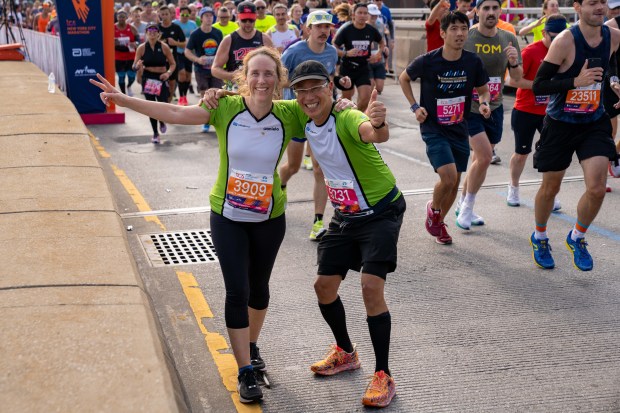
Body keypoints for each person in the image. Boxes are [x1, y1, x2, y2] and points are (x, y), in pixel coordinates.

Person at [288, 60, 405, 408]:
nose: (309, 96)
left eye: (315, 88)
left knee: (370, 287)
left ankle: (383, 374)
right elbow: (259, 102)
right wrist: (220, 94)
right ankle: (345, 352)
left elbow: (372, 132)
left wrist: (378, 122)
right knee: (323, 287)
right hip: (345, 214)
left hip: (381, 211)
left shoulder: (346, 116)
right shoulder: (300, 115)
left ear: (330, 87)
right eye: (301, 90)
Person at [529, 0, 620, 271]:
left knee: (596, 188)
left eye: (602, 2)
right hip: (560, 124)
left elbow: (611, 64)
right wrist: (575, 82)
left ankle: (577, 237)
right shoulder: (565, 41)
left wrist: (614, 81)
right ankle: (540, 236)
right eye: (592, 3)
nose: (600, 8)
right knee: (551, 187)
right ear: (577, 7)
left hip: (593, 121)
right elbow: (539, 85)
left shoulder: (613, 36)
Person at [400, 11, 491, 245]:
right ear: (442, 33)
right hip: (434, 128)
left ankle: (439, 222)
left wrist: (483, 103)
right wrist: (415, 107)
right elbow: (403, 77)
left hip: (460, 127)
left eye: (463, 28)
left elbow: (483, 90)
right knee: (448, 178)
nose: (460, 33)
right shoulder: (428, 60)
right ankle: (434, 211)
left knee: (455, 184)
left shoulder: (473, 61)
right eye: (454, 29)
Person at [280, 10, 350, 240]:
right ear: (308, 29)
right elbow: (279, 79)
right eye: (318, 27)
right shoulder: (294, 51)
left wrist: (339, 81)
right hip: (297, 112)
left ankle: (318, 222)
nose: (323, 31)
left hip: (320, 115)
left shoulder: (331, 51)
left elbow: (330, 76)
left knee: (320, 169)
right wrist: (303, 86)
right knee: (292, 166)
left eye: (327, 27)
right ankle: (279, 186)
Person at [455, 0, 522, 230]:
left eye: (495, 8)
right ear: (477, 11)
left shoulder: (509, 38)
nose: (491, 12)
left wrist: (513, 62)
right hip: (469, 108)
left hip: (494, 107)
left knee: (478, 161)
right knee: (484, 157)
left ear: (500, 11)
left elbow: (517, 76)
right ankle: (467, 208)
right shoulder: (468, 37)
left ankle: (463, 203)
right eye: (486, 8)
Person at [507, 15, 567, 208]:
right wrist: (542, 86)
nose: (556, 42)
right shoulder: (531, 52)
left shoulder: (566, 51)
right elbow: (513, 81)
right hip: (525, 110)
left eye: (560, 37)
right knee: (521, 153)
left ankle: (550, 193)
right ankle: (513, 188)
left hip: (551, 112)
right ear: (543, 33)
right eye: (553, 37)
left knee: (552, 153)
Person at [334, 2, 388, 112]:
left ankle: (355, 117)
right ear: (353, 14)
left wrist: (378, 54)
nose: (363, 15)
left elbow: (382, 43)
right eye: (360, 13)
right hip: (347, 68)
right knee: (346, 99)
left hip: (363, 68)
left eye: (365, 13)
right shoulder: (347, 29)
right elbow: (334, 46)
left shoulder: (371, 30)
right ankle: (345, 119)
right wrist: (346, 53)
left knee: (365, 99)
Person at [211, 1, 274, 90]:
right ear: (238, 18)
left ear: (255, 18)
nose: (248, 23)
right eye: (244, 20)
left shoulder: (264, 39)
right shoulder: (229, 40)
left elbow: (276, 66)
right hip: (235, 90)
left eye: (251, 20)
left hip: (259, 88)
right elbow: (215, 69)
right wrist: (232, 75)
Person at [132, 23, 177, 143]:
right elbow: (134, 65)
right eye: (149, 31)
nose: (152, 33)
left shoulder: (164, 46)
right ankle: (155, 133)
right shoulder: (142, 48)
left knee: (163, 103)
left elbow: (173, 64)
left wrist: (167, 73)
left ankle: (161, 121)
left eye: (155, 31)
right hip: (148, 78)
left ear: (158, 33)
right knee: (151, 107)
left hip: (161, 78)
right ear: (146, 33)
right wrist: (137, 66)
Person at [185, 7, 224, 132]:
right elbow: (187, 51)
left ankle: (217, 119)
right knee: (205, 94)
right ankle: (206, 121)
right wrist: (197, 59)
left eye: (211, 15)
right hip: (201, 69)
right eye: (206, 15)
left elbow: (223, 50)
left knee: (218, 94)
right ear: (201, 18)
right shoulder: (196, 34)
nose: (209, 18)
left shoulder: (217, 33)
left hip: (215, 69)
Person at [604, 0, 620, 180]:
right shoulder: (606, 28)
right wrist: (614, 82)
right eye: (614, 8)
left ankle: (614, 155)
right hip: (610, 84)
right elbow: (607, 61)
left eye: (619, 8)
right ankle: (605, 168)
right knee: (611, 131)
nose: (617, 11)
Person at [158, 5, 186, 103]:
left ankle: (168, 103)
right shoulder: (157, 28)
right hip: (159, 61)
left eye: (166, 14)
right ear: (159, 15)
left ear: (170, 15)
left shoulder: (176, 27)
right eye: (162, 14)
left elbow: (184, 43)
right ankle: (161, 103)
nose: (165, 16)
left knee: (172, 83)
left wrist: (175, 43)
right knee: (160, 84)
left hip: (172, 61)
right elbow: (148, 42)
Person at [173, 5, 198, 106]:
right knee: (182, 74)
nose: (185, 16)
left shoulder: (193, 24)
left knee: (188, 77)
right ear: (179, 14)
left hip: (189, 53)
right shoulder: (175, 24)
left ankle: (184, 97)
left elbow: (196, 38)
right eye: (182, 14)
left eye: (187, 14)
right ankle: (180, 97)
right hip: (178, 53)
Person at [114, 10, 140, 96]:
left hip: (131, 56)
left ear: (126, 18)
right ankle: (123, 94)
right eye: (119, 17)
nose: (121, 18)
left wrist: (135, 43)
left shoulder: (132, 28)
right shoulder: (112, 28)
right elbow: (107, 42)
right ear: (117, 18)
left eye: (123, 17)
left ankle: (129, 86)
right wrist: (113, 42)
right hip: (118, 56)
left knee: (132, 76)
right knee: (121, 77)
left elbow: (138, 41)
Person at [367, 3, 388, 94]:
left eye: (376, 14)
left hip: (378, 57)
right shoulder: (361, 26)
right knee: (370, 88)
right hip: (367, 59)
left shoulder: (380, 25)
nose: (374, 16)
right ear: (366, 14)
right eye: (372, 14)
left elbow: (383, 39)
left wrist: (384, 48)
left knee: (379, 88)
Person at [371, 0, 395, 74]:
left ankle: (387, 67)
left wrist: (392, 38)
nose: (379, 2)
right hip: (371, 34)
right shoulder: (369, 8)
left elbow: (390, 24)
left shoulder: (386, 9)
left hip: (383, 33)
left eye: (380, 0)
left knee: (387, 50)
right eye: (377, 0)